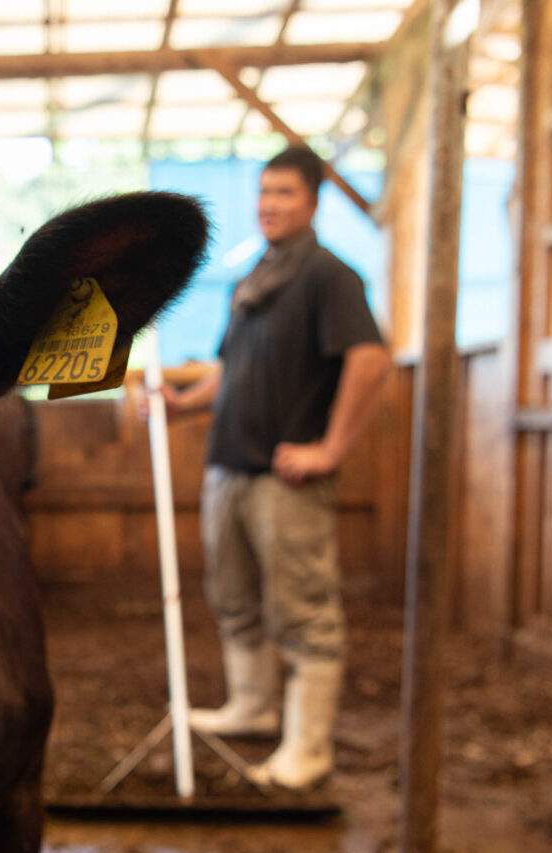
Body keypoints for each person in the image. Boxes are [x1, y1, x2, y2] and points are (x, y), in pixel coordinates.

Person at [136, 145, 390, 791]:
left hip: (287, 477)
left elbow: (369, 359)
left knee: (304, 613)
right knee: (235, 598)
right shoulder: (258, 275)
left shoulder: (331, 277)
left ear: (312, 201)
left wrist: (330, 449)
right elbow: (232, 371)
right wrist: (180, 405)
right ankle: (253, 707)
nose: (269, 204)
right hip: (229, 468)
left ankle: (308, 749)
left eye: (284, 193)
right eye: (264, 192)